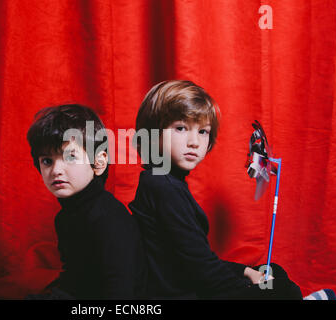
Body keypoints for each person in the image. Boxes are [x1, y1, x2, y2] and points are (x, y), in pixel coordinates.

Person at [128, 80, 304, 299]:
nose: (194, 142)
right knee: (285, 291)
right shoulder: (164, 187)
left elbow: (195, 259)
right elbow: (203, 270)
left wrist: (246, 272)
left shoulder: (165, 181)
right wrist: (248, 290)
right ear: (153, 134)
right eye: (181, 128)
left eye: (203, 131)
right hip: (184, 294)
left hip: (195, 281)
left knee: (272, 271)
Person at [26, 104, 146, 299]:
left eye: (70, 157)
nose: (56, 170)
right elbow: (74, 277)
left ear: (98, 163)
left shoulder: (108, 217)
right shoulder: (65, 217)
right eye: (47, 161)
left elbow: (121, 287)